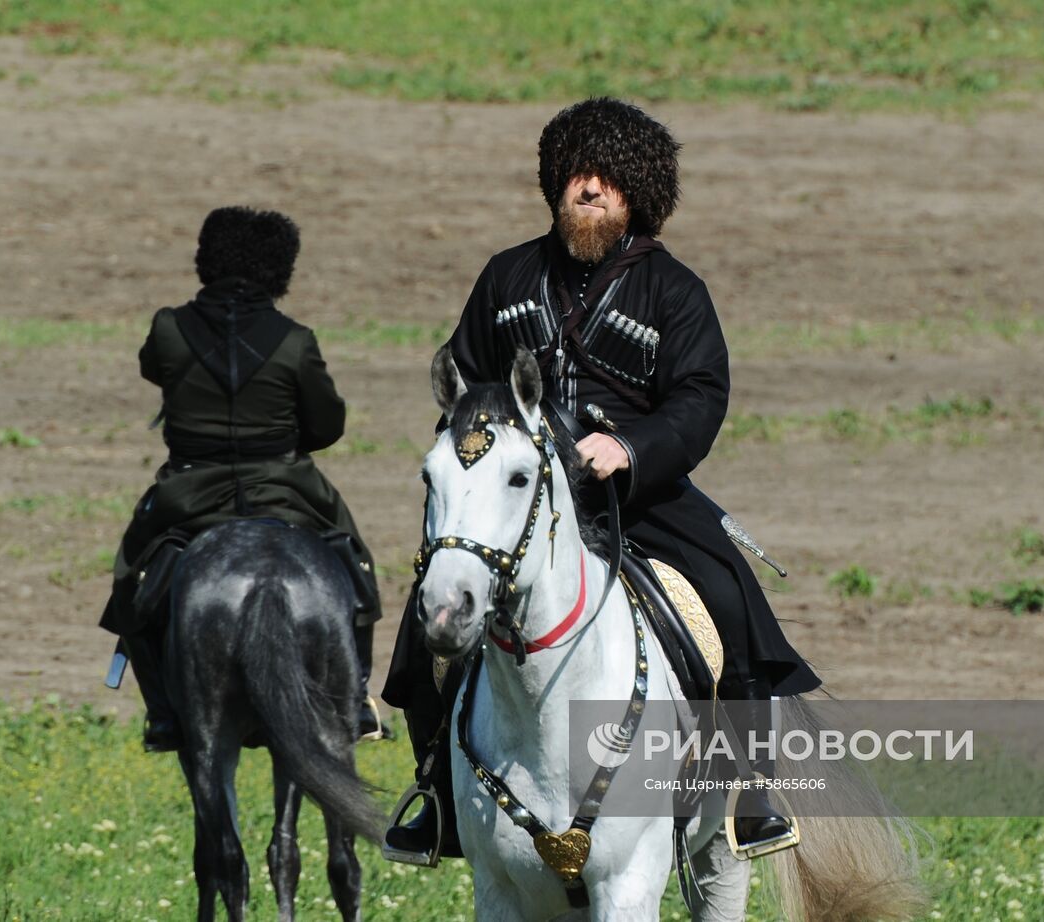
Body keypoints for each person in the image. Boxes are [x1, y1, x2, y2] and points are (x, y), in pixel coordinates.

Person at [382, 98, 821, 863]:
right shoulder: (506, 276)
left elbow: (700, 397)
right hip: (522, 503)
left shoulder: (675, 290)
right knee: (432, 619)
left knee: (730, 596)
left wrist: (630, 449)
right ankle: (437, 795)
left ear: (636, 195)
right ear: (556, 181)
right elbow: (467, 384)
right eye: (579, 174)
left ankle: (752, 791)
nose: (590, 189)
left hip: (635, 498)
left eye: (610, 179)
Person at [99, 206, 382, 752]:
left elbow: (152, 369)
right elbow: (327, 427)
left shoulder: (168, 328)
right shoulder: (295, 340)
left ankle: (161, 713)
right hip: (286, 490)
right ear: (280, 269)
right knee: (356, 567)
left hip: (188, 495)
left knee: (130, 578)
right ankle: (355, 700)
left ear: (207, 260)